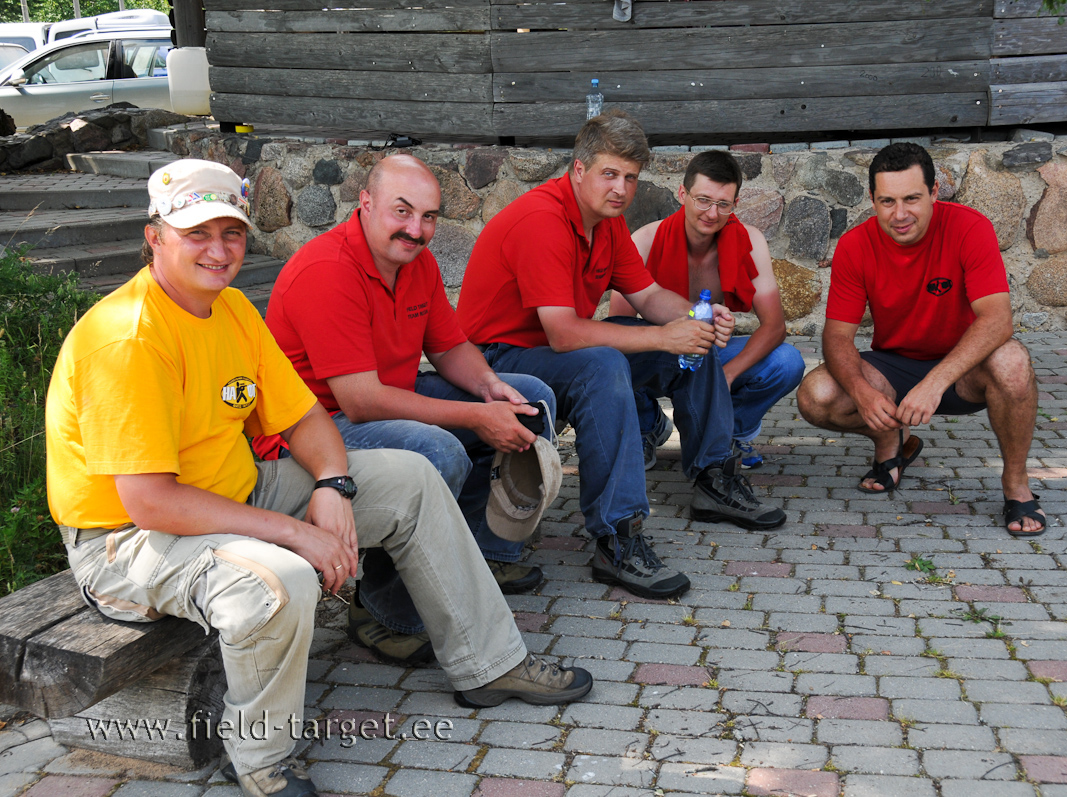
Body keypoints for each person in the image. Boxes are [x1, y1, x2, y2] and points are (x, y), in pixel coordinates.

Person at [45, 160, 592, 797]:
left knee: (412, 477)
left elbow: (304, 415)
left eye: (232, 233)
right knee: (282, 579)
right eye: (198, 233)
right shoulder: (127, 340)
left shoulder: (229, 312)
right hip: (122, 542)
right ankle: (263, 763)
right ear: (156, 236)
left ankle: (490, 664)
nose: (219, 251)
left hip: (229, 493)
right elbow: (150, 502)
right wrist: (295, 533)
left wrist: (334, 485)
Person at [456, 111, 787, 601]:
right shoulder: (542, 219)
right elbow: (565, 334)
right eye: (609, 174)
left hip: (550, 348)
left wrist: (698, 316)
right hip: (497, 358)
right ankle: (618, 538)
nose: (621, 189)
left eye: (630, 178)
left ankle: (715, 477)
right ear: (578, 170)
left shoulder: (606, 223)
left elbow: (651, 295)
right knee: (605, 363)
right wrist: (662, 338)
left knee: (693, 340)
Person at [262, 153, 556, 666]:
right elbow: (361, 400)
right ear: (366, 202)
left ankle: (479, 560)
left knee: (529, 398)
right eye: (402, 212)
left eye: (429, 217)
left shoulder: (415, 262)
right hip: (314, 431)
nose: (416, 230)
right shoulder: (327, 269)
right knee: (435, 451)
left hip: (382, 402)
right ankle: (382, 612)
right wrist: (475, 418)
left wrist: (489, 388)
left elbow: (448, 349)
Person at [795, 142, 1043, 536]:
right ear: (873, 200)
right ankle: (890, 440)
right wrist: (861, 391)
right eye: (887, 201)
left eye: (912, 198)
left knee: (1012, 363)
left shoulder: (970, 227)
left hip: (965, 368)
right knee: (816, 395)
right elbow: (837, 336)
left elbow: (997, 321)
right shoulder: (855, 245)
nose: (900, 214)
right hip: (894, 365)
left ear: (934, 193)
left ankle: (1016, 484)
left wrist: (935, 383)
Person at [612, 150, 806, 470]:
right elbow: (619, 329)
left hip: (712, 354)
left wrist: (727, 376)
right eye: (703, 200)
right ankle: (647, 426)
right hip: (660, 353)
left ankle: (732, 430)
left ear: (735, 204)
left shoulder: (751, 241)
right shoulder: (644, 241)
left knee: (787, 361)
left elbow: (774, 327)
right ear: (682, 194)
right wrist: (665, 339)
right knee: (613, 360)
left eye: (723, 204)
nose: (712, 213)